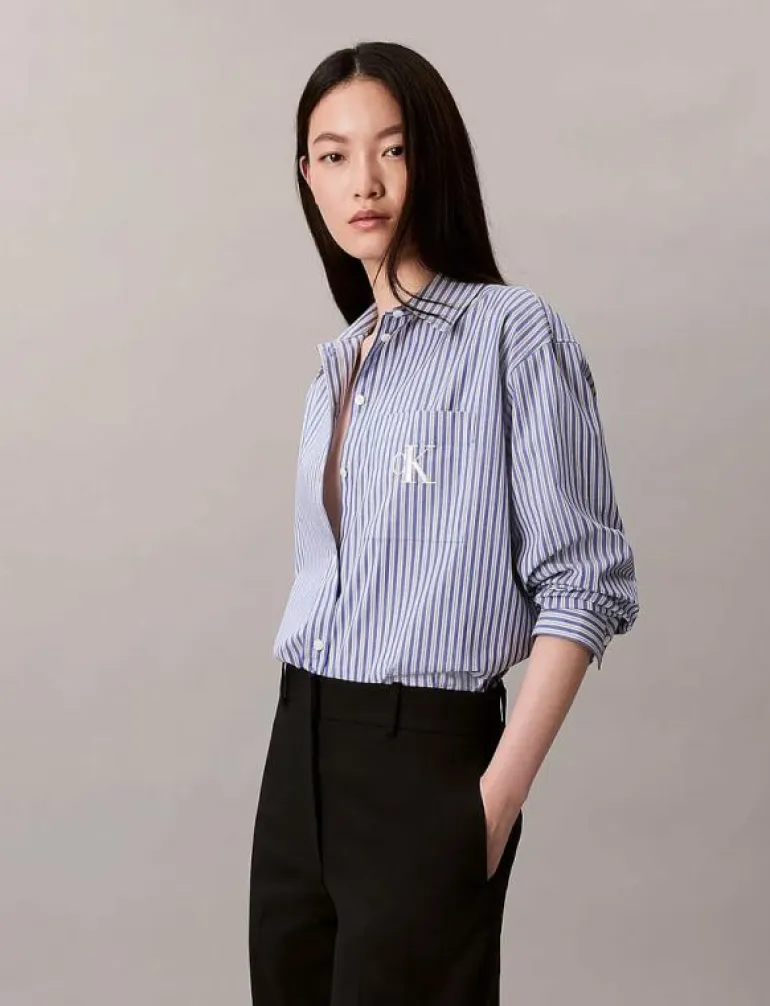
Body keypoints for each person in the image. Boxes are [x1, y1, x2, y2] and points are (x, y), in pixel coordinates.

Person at [248, 40, 640, 1005]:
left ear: (434, 157)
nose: (364, 181)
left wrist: (492, 804)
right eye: (334, 155)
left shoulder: (512, 333)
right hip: (298, 761)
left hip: (425, 763)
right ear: (307, 177)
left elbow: (585, 582)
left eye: (392, 148)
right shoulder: (336, 366)